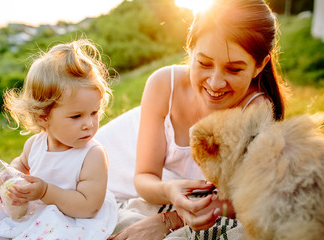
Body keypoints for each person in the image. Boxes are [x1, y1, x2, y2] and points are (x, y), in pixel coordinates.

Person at [104, 0, 289, 239]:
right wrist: (169, 191)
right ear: (189, 50)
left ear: (258, 66)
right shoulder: (163, 84)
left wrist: (170, 219)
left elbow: (249, 199)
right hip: (119, 160)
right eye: (204, 63)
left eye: (233, 70)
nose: (215, 83)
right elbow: (144, 178)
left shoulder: (255, 111)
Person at [0, 39, 118, 239]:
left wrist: (45, 192)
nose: (89, 123)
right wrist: (11, 177)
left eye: (94, 112)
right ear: (43, 116)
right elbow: (21, 163)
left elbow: (89, 207)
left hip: (73, 217)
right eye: (76, 116)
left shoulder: (92, 155)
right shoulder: (35, 144)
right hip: (39, 210)